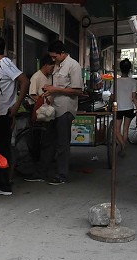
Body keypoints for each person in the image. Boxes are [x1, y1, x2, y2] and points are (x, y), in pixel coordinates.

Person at [0, 36, 30, 195]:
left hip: (3, 113)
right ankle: (0, 183)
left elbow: (25, 81)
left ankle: (3, 186)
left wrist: (16, 107)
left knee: (2, 149)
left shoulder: (5, 63)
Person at [42, 40, 83, 185]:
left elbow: (77, 90)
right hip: (55, 107)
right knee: (53, 141)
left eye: (55, 56)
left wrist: (55, 90)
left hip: (66, 109)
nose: (53, 59)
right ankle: (52, 170)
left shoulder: (73, 65)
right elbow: (58, 87)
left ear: (62, 53)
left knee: (62, 143)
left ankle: (62, 175)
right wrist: (50, 93)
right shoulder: (58, 66)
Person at [24, 55, 58, 182]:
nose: (52, 69)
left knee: (48, 141)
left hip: (49, 113)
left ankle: (44, 167)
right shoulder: (36, 77)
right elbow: (32, 95)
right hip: (39, 113)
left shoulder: (50, 77)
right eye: (51, 66)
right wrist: (42, 103)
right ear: (45, 65)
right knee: (40, 141)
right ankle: (39, 169)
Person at [111, 58, 137, 155]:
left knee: (116, 130)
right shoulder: (133, 81)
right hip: (129, 108)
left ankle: (123, 145)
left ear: (120, 69)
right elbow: (134, 97)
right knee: (125, 130)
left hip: (118, 108)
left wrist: (109, 105)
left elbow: (112, 96)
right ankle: (123, 147)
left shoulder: (116, 81)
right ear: (129, 69)